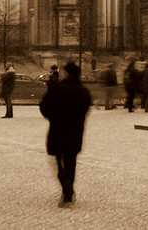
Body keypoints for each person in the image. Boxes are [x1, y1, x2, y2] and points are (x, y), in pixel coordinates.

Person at [39, 61, 93, 205]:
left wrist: (52, 117)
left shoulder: (57, 89)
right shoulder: (84, 91)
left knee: (58, 160)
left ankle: (66, 187)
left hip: (58, 129)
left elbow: (44, 107)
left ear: (67, 73)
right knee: (71, 161)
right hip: (75, 130)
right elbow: (85, 110)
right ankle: (68, 188)